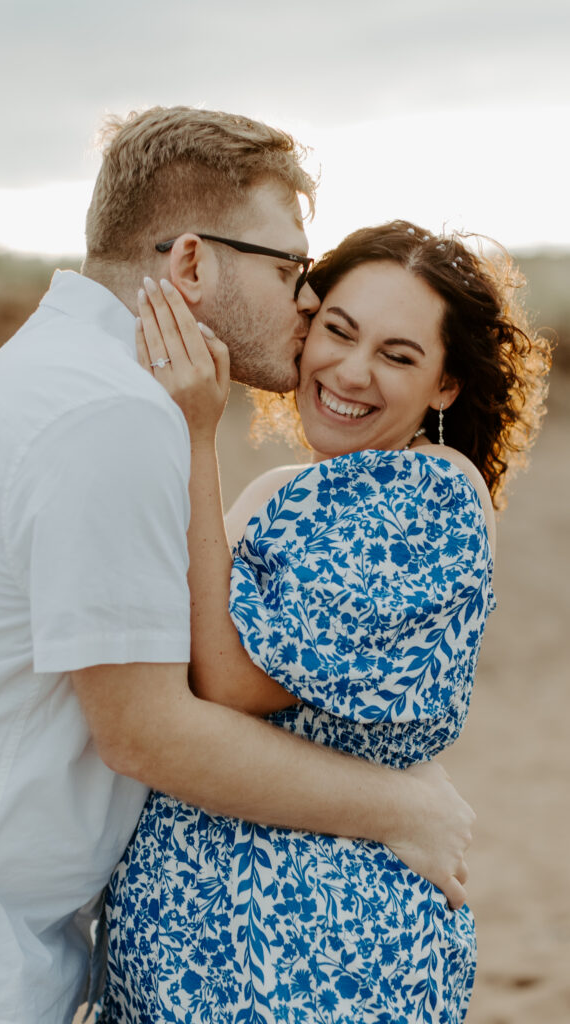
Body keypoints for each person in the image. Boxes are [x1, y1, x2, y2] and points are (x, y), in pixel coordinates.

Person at [0, 108, 476, 1024]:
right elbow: (148, 732)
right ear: (189, 263)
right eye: (289, 268)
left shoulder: (41, 380)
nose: (304, 302)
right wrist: (400, 808)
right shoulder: (111, 418)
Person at [100, 221, 551, 1022]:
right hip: (199, 952)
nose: (351, 370)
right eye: (337, 332)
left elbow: (230, 681)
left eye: (398, 355)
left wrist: (197, 432)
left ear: (446, 387)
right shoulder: (284, 488)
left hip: (318, 950)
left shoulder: (434, 494)